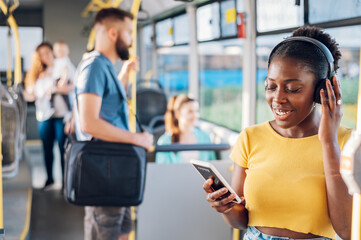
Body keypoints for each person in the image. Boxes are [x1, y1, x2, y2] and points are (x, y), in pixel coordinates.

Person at [202, 26, 352, 240]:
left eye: (292, 89)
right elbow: (241, 221)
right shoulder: (250, 138)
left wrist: (328, 142)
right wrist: (225, 208)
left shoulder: (347, 142)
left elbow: (346, 230)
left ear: (323, 90)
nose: (278, 98)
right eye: (271, 87)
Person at [73, 8, 153, 240]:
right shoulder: (94, 66)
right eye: (128, 33)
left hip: (115, 167)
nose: (131, 40)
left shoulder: (106, 66)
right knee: (105, 231)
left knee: (122, 230)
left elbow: (107, 102)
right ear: (112, 33)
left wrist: (126, 73)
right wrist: (137, 138)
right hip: (103, 168)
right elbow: (89, 123)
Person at [24, 42, 74, 191]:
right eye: (42, 54)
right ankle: (49, 180)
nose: (46, 56)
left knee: (63, 148)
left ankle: (66, 182)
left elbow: (71, 87)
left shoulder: (63, 66)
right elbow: (30, 95)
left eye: (48, 52)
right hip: (44, 115)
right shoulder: (36, 74)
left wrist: (57, 88)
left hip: (61, 114)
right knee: (47, 148)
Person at [156, 94, 216, 164]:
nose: (195, 115)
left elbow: (213, 164)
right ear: (177, 113)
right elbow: (161, 170)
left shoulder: (205, 137)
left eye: (196, 111)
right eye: (190, 112)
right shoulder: (165, 141)